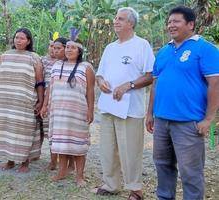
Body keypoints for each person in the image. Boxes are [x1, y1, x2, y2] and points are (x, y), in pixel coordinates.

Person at [146, 6, 219, 200]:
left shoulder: (205, 48)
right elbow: (155, 84)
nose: (171, 25)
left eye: (176, 21)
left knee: (191, 173)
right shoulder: (163, 51)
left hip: (189, 122)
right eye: (169, 22)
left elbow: (215, 84)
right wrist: (149, 114)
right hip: (162, 120)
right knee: (162, 165)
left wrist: (209, 119)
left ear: (191, 24)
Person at [94, 7, 154, 199]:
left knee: (130, 151)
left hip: (130, 108)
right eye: (115, 18)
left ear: (131, 23)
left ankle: (135, 189)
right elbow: (100, 74)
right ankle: (111, 184)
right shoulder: (110, 47)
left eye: (120, 19)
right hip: (108, 106)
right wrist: (101, 82)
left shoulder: (141, 45)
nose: (115, 21)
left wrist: (128, 85)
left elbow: (150, 75)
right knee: (107, 149)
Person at [40, 34, 95, 187]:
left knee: (79, 144)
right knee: (61, 143)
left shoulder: (86, 67)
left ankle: (79, 176)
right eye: (68, 47)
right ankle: (61, 172)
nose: (70, 50)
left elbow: (90, 90)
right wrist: (45, 105)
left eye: (73, 48)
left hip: (77, 112)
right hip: (58, 111)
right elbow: (50, 88)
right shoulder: (57, 65)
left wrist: (91, 110)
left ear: (80, 51)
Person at [0, 28, 44, 173]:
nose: (18, 40)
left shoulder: (34, 57)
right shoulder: (6, 55)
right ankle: (10, 161)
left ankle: (25, 162)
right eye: (16, 38)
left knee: (24, 130)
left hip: (24, 101)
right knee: (8, 129)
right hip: (6, 101)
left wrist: (40, 101)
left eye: (22, 38)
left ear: (28, 41)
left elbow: (40, 81)